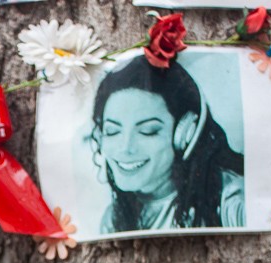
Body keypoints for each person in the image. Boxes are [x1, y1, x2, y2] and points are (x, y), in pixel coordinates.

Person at [91, 55, 245, 233]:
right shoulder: (114, 218)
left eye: (147, 131)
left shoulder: (233, 201)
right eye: (112, 131)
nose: (125, 147)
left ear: (186, 133)